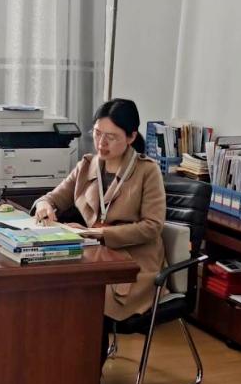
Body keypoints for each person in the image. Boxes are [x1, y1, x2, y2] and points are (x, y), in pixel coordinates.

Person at [33, 98, 166, 365]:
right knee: (52, 289)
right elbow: (52, 197)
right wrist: (44, 206)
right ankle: (55, 369)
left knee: (88, 297)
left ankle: (87, 378)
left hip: (134, 263)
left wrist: (98, 234)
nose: (101, 143)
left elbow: (153, 227)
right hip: (95, 255)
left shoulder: (147, 171)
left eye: (111, 137)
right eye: (97, 133)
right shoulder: (87, 165)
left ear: (131, 137)